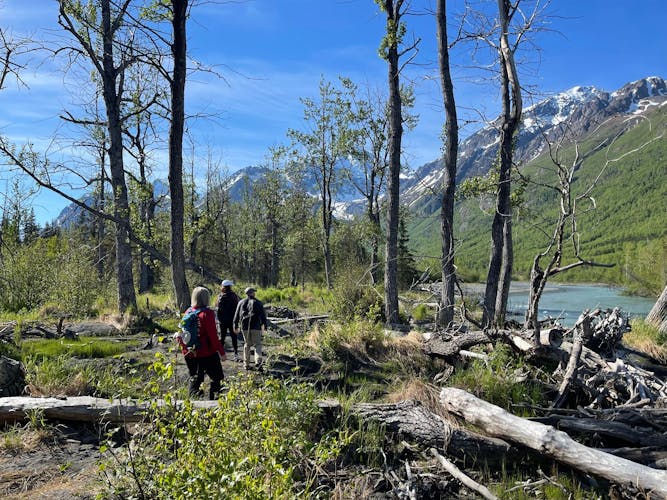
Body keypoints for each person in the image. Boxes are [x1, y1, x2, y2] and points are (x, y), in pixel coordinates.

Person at [176, 286, 226, 399]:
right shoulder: (207, 313)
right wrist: (221, 352)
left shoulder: (188, 312)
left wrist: (184, 349)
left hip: (189, 352)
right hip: (206, 352)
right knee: (217, 378)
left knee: (195, 379)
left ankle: (193, 404)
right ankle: (215, 404)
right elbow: (213, 336)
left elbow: (182, 332)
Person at [233, 286, 268, 371]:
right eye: (254, 292)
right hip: (256, 326)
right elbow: (263, 316)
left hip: (245, 327)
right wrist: (265, 325)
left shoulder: (241, 302)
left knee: (247, 344)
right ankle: (258, 362)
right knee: (257, 345)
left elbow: (236, 315)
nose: (254, 293)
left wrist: (235, 325)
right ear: (252, 293)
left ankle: (246, 364)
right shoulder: (258, 303)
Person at [215, 279, 241, 361]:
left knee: (222, 337)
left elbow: (217, 308)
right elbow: (237, 308)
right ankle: (236, 355)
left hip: (222, 321)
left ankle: (220, 354)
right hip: (232, 320)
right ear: (229, 287)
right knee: (234, 337)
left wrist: (218, 319)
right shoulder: (234, 296)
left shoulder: (220, 296)